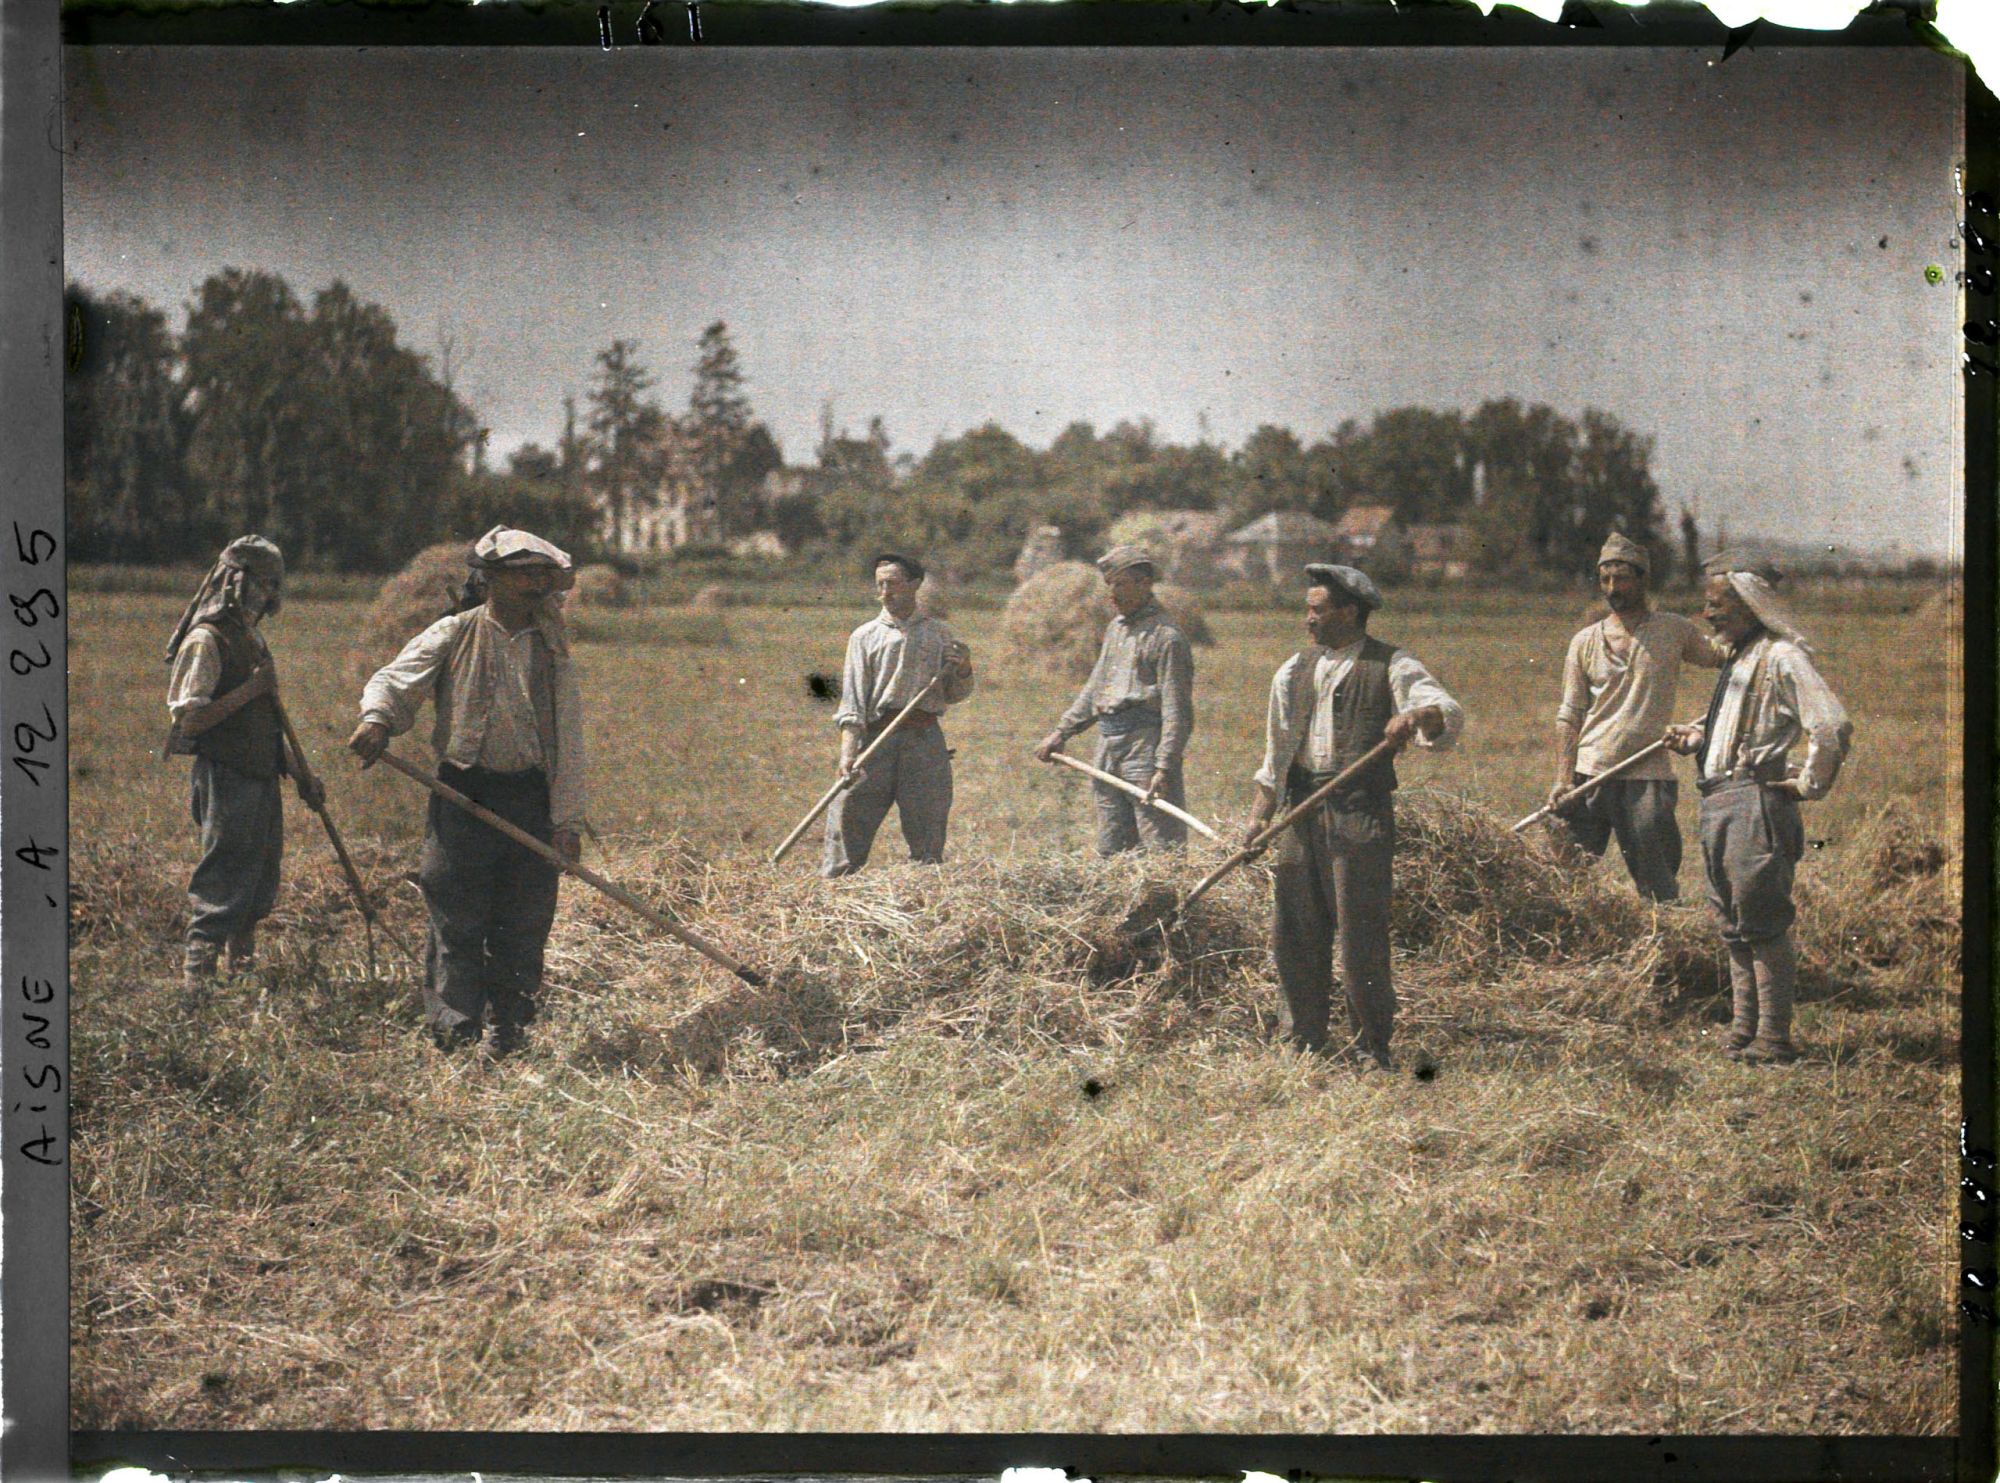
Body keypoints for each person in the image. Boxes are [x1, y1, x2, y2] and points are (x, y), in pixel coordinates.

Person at [348, 527, 586, 1057]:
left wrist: (566, 822)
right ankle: (455, 1036)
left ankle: (510, 1033)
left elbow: (569, 742)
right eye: (524, 574)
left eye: (542, 575)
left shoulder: (551, 652)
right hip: (462, 793)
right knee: (456, 915)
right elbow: (392, 680)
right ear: (491, 579)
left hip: (528, 799)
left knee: (524, 921)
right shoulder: (454, 633)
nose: (536, 585)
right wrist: (377, 720)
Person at [1242, 564, 1463, 1070]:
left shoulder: (1392, 664)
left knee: (1361, 935)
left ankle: (1371, 1049)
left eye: (1317, 610)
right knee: (1294, 931)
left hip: (1359, 812)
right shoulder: (1292, 670)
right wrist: (1258, 820)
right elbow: (1275, 759)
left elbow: (1443, 710)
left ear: (1349, 612)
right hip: (1300, 811)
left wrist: (1413, 717)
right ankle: (1303, 1041)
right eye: (1308, 610)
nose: (1308, 620)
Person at [1665, 560, 1851, 1064]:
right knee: (1733, 922)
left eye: (1717, 605)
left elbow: (1831, 726)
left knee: (1762, 921)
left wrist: (1807, 784)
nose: (1706, 615)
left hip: (1755, 804)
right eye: (1706, 604)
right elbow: (1742, 727)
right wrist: (1699, 738)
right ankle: (1745, 1029)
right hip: (1718, 800)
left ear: (1750, 606)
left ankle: (1774, 1039)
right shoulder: (1742, 659)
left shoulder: (1783, 657)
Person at [165, 535, 322, 994]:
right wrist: (251, 690)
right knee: (225, 874)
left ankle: (242, 976)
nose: (272, 595)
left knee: (256, 879)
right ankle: (198, 987)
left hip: (260, 775)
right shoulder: (206, 639)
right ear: (237, 581)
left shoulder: (251, 638)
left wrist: (301, 774)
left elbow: (269, 724)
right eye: (265, 584)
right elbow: (190, 721)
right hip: (226, 775)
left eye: (277, 585)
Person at [1547, 531, 1724, 901]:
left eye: (1622, 578)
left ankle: (1663, 946)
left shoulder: (1673, 631)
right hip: (1590, 773)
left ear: (1643, 579)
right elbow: (1570, 714)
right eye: (1605, 579)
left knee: (1657, 883)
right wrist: (1564, 779)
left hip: (1647, 774)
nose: (1613, 588)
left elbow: (1721, 657)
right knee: (1567, 881)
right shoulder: (1584, 641)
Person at [1034, 545, 1196, 854]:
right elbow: (1096, 688)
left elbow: (1177, 710)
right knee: (1113, 846)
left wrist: (1163, 766)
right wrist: (1061, 732)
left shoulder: (1167, 637)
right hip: (1108, 746)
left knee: (1161, 844)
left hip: (1144, 748)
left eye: (1120, 584)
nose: (1111, 594)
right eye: (1109, 585)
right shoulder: (1115, 630)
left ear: (1144, 584)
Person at [821, 553, 975, 877]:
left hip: (924, 741)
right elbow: (852, 701)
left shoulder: (940, 634)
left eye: (892, 584)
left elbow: (956, 694)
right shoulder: (864, 637)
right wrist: (848, 753)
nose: (885, 593)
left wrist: (964, 668)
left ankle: (924, 896)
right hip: (876, 740)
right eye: (879, 585)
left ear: (915, 585)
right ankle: (834, 892)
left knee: (927, 827)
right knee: (848, 813)